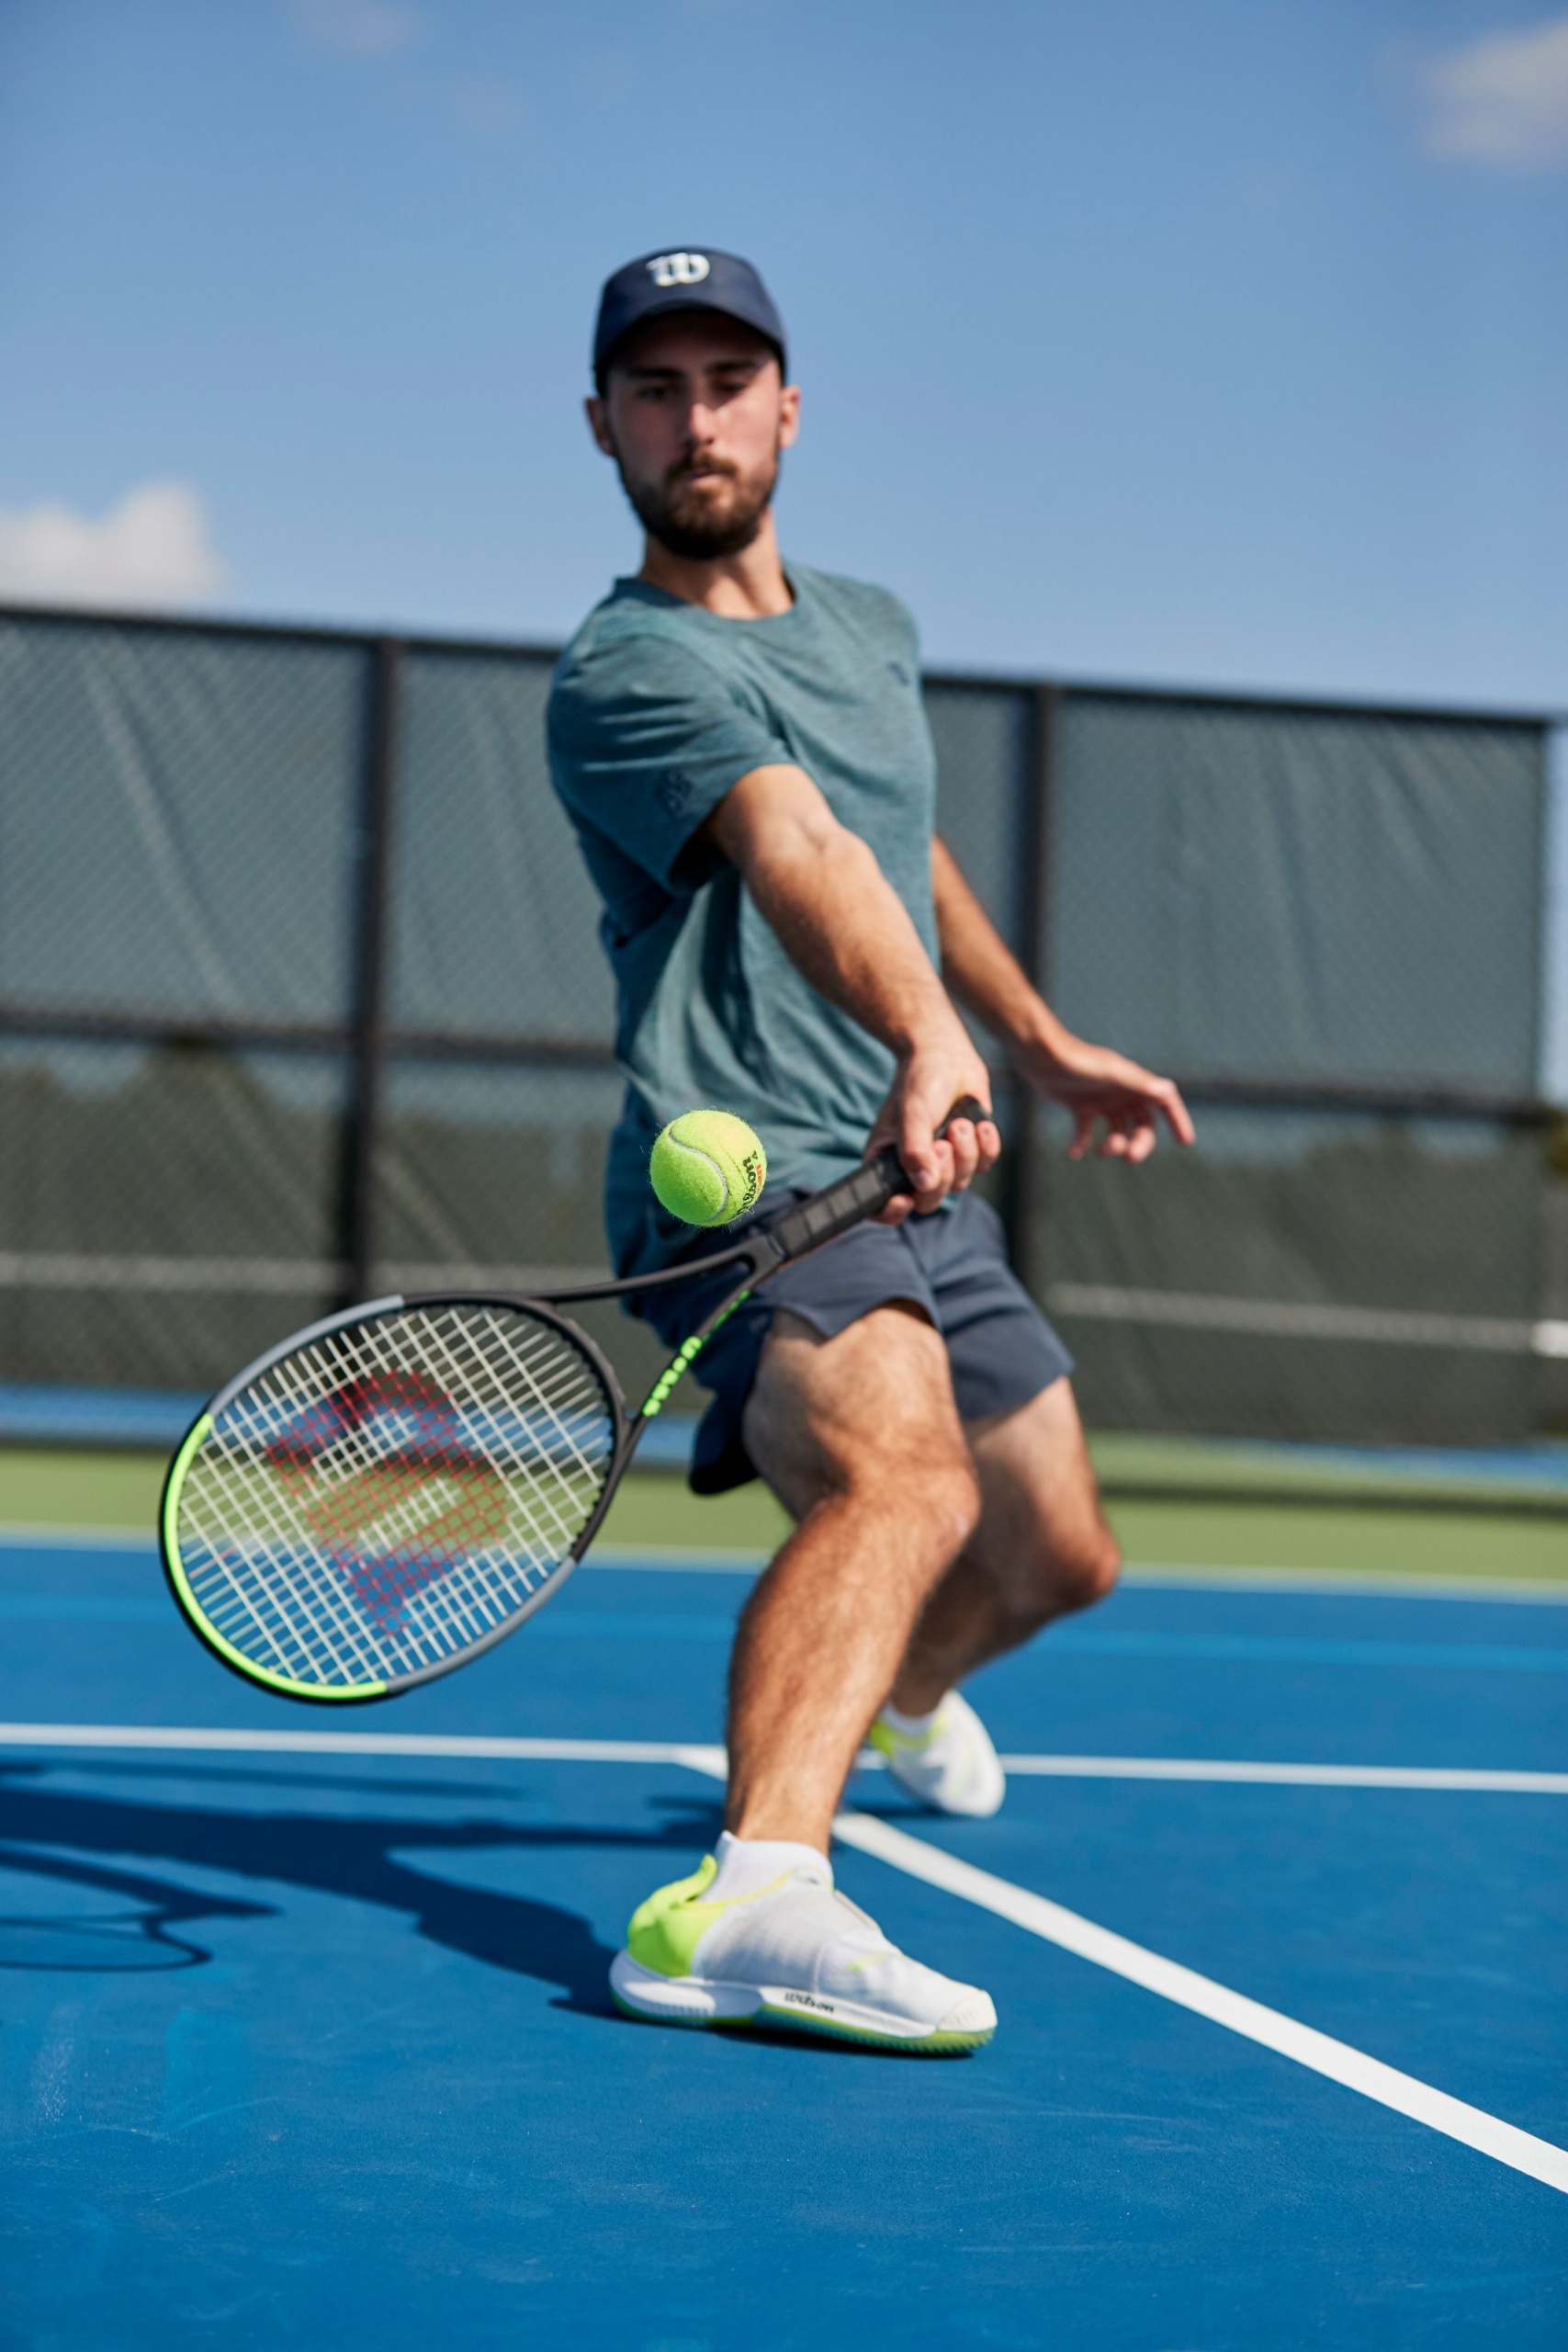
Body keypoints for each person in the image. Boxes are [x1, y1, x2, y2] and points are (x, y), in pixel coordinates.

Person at [547, 248, 1192, 2053]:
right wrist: (927, 1036)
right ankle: (745, 1890)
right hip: (751, 1172)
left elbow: (898, 851)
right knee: (902, 1488)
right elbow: (798, 847)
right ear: (602, 421)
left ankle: (892, 1685)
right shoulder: (620, 671)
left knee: (1057, 1554)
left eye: (724, 377)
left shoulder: (870, 626)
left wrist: (1035, 1035)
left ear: (786, 405)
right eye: (652, 386)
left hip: (919, 1163)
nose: (694, 417)